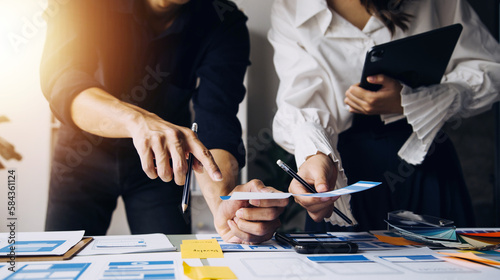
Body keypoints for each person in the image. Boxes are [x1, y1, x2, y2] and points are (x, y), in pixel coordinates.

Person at [40, 0, 288, 244]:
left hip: (165, 166)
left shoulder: (223, 20)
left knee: (173, 262)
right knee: (61, 258)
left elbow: (217, 123)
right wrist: (138, 122)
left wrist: (225, 204)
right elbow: (63, 82)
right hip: (81, 157)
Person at [269, 0, 500, 231]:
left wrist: (415, 101)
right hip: (340, 173)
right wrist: (315, 155)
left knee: (448, 264)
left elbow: (490, 69)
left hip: (424, 161)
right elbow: (301, 101)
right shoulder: (292, 7)